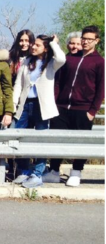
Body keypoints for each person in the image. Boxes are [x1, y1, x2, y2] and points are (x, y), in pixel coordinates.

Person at [44, 26, 104, 187]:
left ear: (96, 41)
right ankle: (54, 171)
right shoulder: (70, 59)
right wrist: (55, 102)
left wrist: (92, 111)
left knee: (80, 142)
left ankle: (76, 171)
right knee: (57, 140)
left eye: (89, 39)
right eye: (84, 38)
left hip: (83, 109)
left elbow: (101, 89)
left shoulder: (99, 62)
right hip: (62, 107)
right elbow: (58, 82)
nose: (85, 42)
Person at [11, 35, 66, 188]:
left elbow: (62, 58)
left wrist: (54, 44)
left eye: (37, 45)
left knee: (41, 140)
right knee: (20, 137)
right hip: (25, 105)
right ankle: (24, 170)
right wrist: (14, 105)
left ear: (46, 48)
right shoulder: (27, 62)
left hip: (41, 106)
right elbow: (18, 85)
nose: (33, 47)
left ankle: (37, 173)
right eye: (33, 44)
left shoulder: (51, 63)